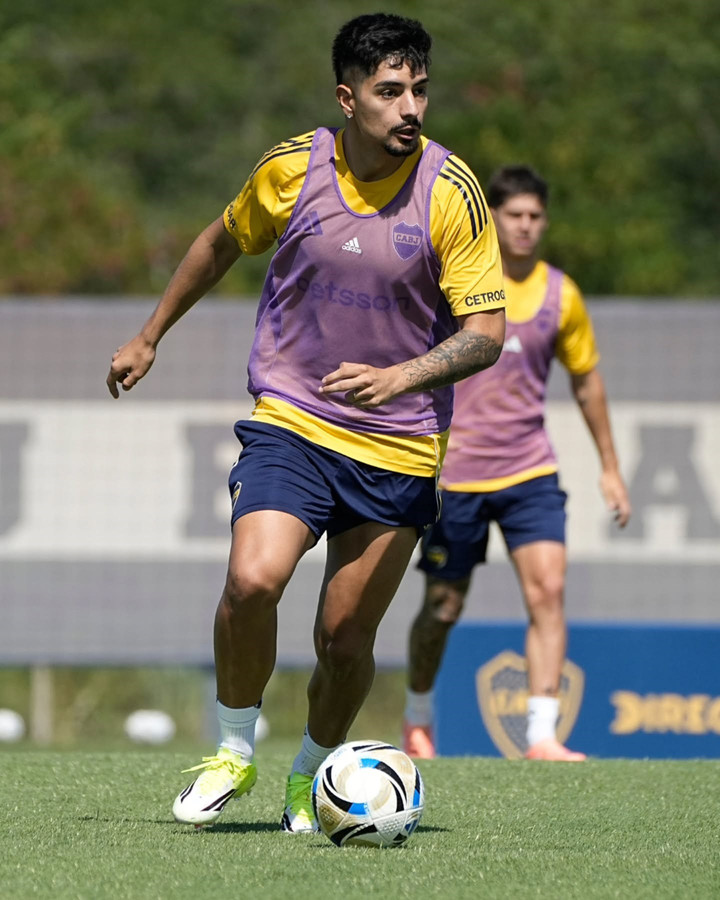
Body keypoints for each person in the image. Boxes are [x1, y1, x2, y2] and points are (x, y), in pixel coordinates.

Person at [106, 13, 505, 830]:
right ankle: (233, 752)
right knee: (252, 580)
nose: (409, 109)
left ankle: (315, 773)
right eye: (390, 92)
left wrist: (403, 375)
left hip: (399, 443)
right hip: (292, 417)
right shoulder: (293, 169)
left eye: (419, 91)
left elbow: (487, 333)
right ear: (347, 97)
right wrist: (150, 334)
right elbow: (221, 241)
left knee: (346, 641)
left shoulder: (450, 191)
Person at [403, 164, 631, 762]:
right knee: (443, 606)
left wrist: (609, 466)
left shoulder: (563, 295)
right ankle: (418, 715)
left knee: (549, 591)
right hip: (455, 477)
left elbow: (586, 384)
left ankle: (541, 735)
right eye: (515, 216)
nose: (526, 227)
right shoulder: (459, 284)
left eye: (535, 217)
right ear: (494, 220)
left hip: (530, 471)